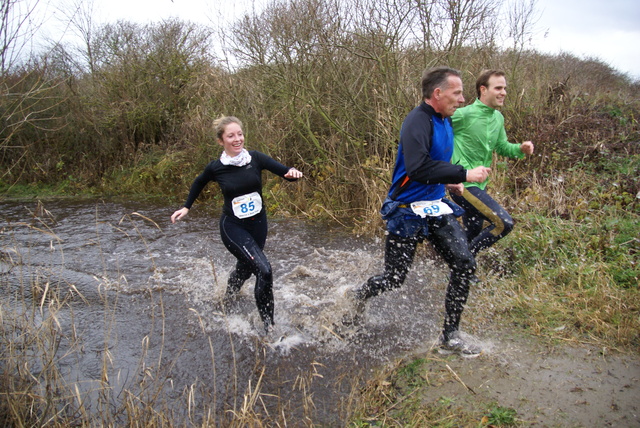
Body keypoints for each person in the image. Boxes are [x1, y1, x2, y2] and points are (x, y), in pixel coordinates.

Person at [353, 67, 491, 356]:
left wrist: (449, 180)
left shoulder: (445, 120)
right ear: (437, 93)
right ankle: (357, 299)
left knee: (464, 263)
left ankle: (450, 337)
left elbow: (434, 162)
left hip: (435, 207)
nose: (462, 99)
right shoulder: (417, 121)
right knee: (394, 278)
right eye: (457, 93)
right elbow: (417, 168)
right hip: (406, 211)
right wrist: (464, 173)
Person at [171, 116, 303, 334]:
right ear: (221, 141)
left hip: (259, 224)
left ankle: (227, 298)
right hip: (233, 227)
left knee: (246, 269)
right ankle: (270, 329)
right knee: (264, 270)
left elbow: (284, 171)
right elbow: (199, 182)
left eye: (239, 134)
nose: (237, 139)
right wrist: (187, 207)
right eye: (231, 135)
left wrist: (292, 174)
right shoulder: (216, 168)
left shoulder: (255, 158)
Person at [450, 70, 534, 256]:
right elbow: (433, 131)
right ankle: (462, 263)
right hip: (463, 184)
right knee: (504, 223)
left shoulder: (498, 118)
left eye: (504, 88)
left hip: (481, 184)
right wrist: (446, 166)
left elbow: (502, 147)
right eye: (498, 88)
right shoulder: (463, 114)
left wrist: (520, 149)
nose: (503, 92)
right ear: (483, 89)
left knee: (471, 232)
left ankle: (457, 270)